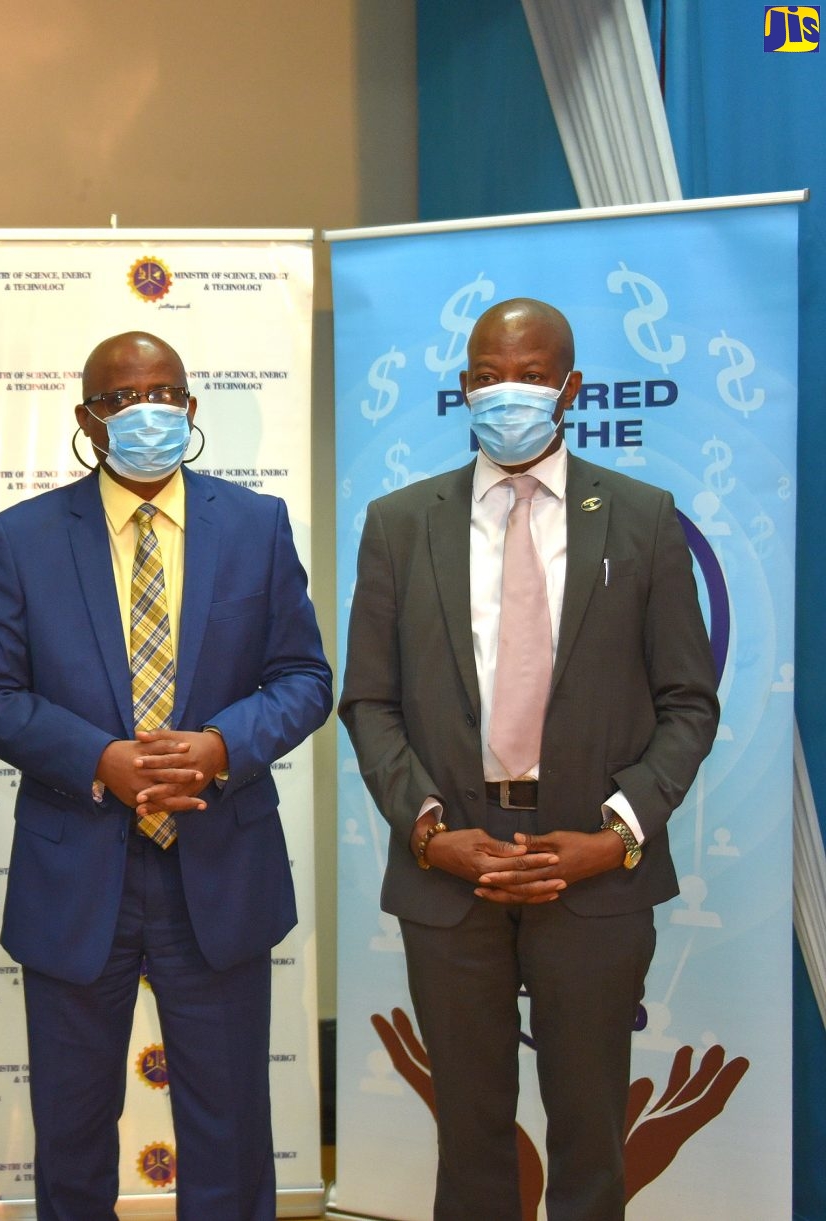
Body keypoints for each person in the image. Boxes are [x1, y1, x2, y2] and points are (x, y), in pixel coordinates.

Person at [339, 297, 719, 1220]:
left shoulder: (642, 517)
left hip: (589, 862)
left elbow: (688, 703)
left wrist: (617, 833)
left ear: (572, 388)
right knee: (470, 1131)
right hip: (452, 859)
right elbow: (369, 700)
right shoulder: (398, 523)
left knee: (591, 1129)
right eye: (488, 374)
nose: (508, 391)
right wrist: (431, 833)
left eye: (532, 375)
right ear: (464, 386)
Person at [0, 331, 330, 1220]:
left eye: (164, 392)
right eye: (122, 398)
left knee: (230, 1132)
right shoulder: (24, 537)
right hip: (78, 875)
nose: (146, 411)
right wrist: (100, 760)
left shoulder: (255, 525)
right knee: (75, 1136)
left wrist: (222, 744)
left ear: (193, 408)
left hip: (219, 868)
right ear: (89, 421)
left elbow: (305, 679)